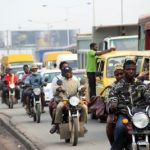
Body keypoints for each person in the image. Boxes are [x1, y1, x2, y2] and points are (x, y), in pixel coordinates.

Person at [107, 59, 150, 150]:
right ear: (124, 70)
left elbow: (148, 96)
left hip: (141, 115)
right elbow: (112, 98)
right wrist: (113, 105)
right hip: (125, 115)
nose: (131, 71)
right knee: (120, 128)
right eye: (128, 69)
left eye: (133, 69)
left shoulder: (141, 85)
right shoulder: (116, 87)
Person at [50, 66, 88, 134]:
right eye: (66, 73)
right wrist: (58, 89)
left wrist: (82, 89)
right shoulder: (60, 81)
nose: (68, 74)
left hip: (75, 100)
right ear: (63, 73)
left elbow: (79, 88)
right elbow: (55, 90)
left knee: (84, 107)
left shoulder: (76, 80)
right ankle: (56, 124)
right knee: (59, 107)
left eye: (69, 72)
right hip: (64, 100)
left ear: (72, 73)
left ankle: (82, 124)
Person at [106, 63, 124, 145]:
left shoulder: (132, 82)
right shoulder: (111, 86)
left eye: (121, 73)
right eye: (117, 74)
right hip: (117, 110)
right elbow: (108, 99)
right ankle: (113, 145)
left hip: (133, 110)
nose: (120, 76)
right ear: (114, 75)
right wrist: (112, 106)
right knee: (110, 121)